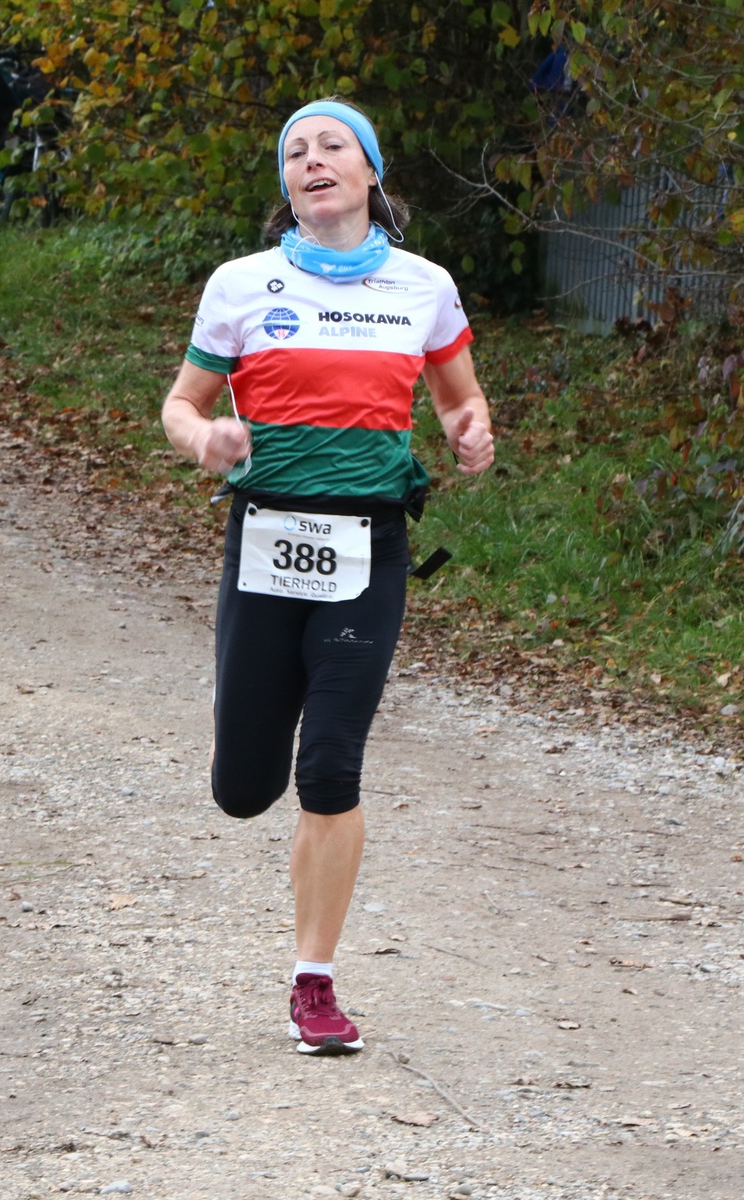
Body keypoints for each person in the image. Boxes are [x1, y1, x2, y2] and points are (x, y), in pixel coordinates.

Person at [161, 98, 494, 1056]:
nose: (313, 159)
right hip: (266, 543)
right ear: (287, 184)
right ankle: (250, 745)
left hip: (367, 550)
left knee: (332, 766)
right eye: (295, 151)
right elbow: (181, 406)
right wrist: (206, 439)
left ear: (369, 171)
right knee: (242, 787)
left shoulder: (425, 287)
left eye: (333, 145)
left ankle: (315, 984)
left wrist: (470, 434)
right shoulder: (241, 284)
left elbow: (461, 401)